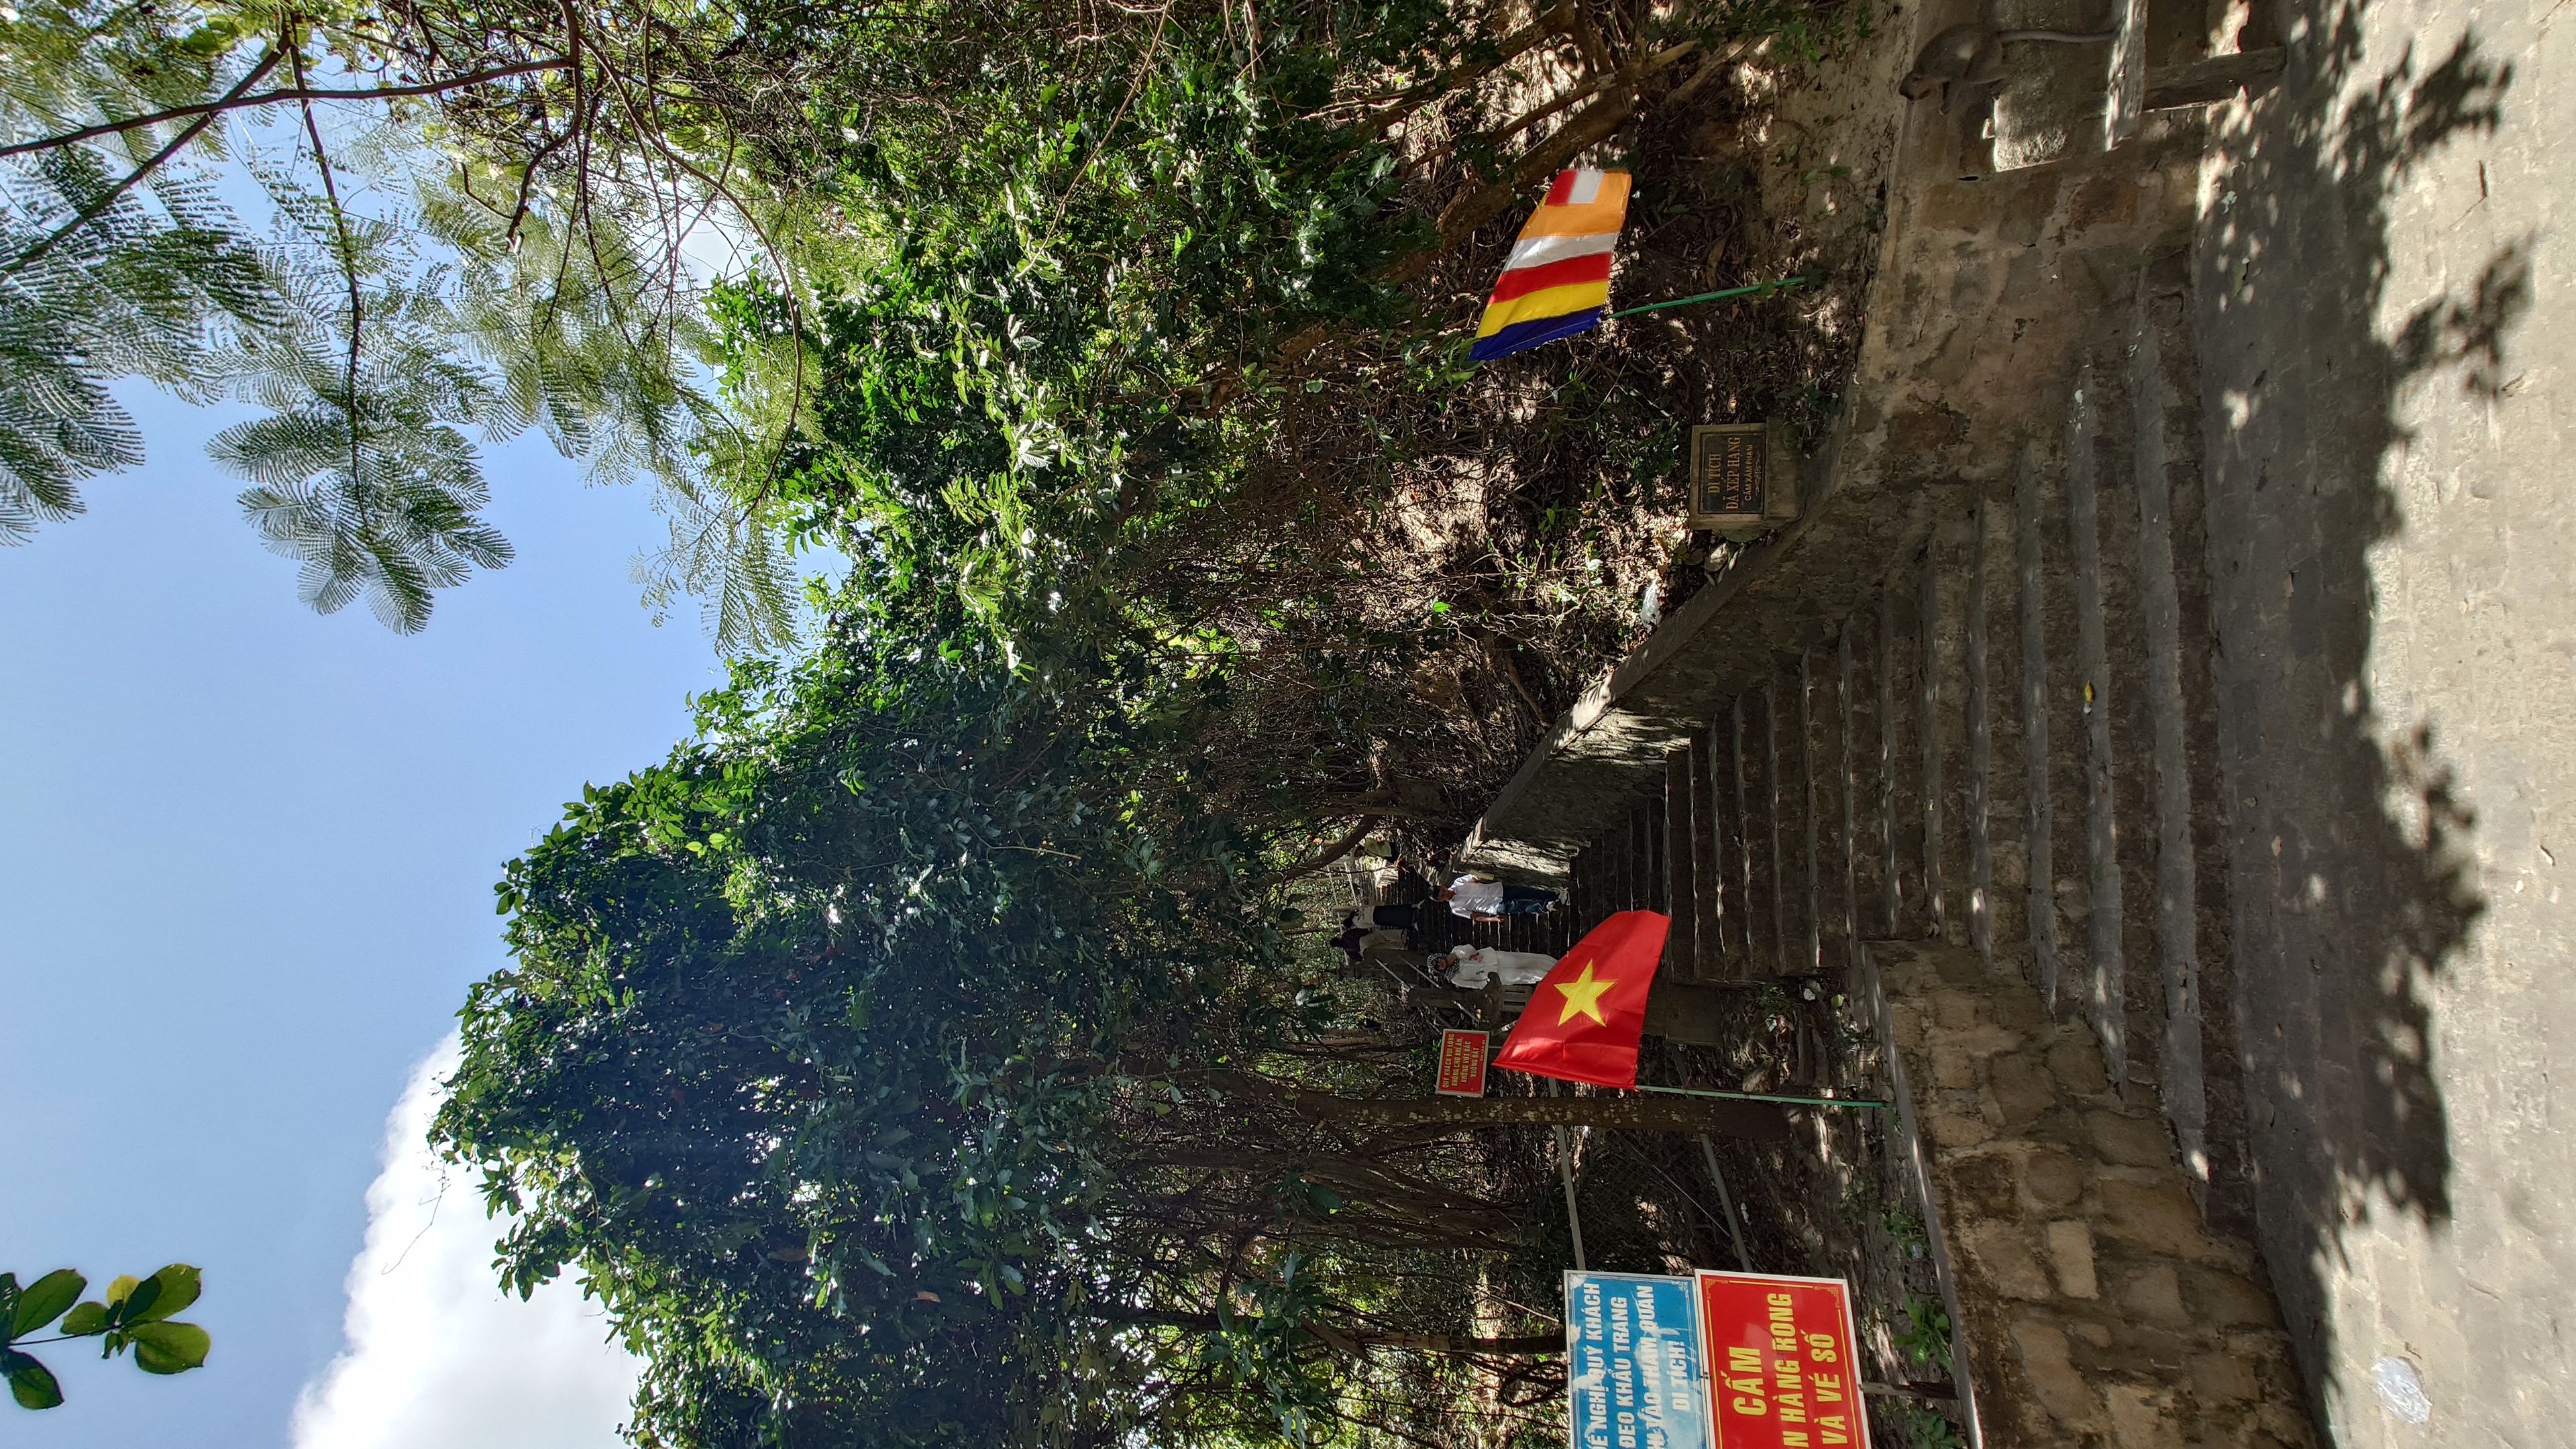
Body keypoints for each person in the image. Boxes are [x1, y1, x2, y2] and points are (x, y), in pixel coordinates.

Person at [1438, 872, 1560, 922]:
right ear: (1441, 900)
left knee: (1527, 892)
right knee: (1522, 906)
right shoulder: (1455, 908)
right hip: (1494, 906)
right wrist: (1492, 919)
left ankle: (1554, 897)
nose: (1446, 893)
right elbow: (1475, 916)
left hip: (1498, 889)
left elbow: (1473, 877)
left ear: (1443, 886)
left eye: (1443, 891)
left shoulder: (1458, 882)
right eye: (1443, 896)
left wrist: (1479, 876)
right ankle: (1546, 907)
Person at [1442, 944, 1558, 988]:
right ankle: (1556, 978)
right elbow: (1475, 985)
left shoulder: (1455, 951)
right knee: (1525, 976)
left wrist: (1455, 956)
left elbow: (1471, 950)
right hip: (1496, 976)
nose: (1440, 964)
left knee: (1527, 960)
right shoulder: (1455, 979)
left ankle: (1558, 966)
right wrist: (1488, 981)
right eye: (1437, 966)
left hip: (1495, 958)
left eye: (1437, 961)